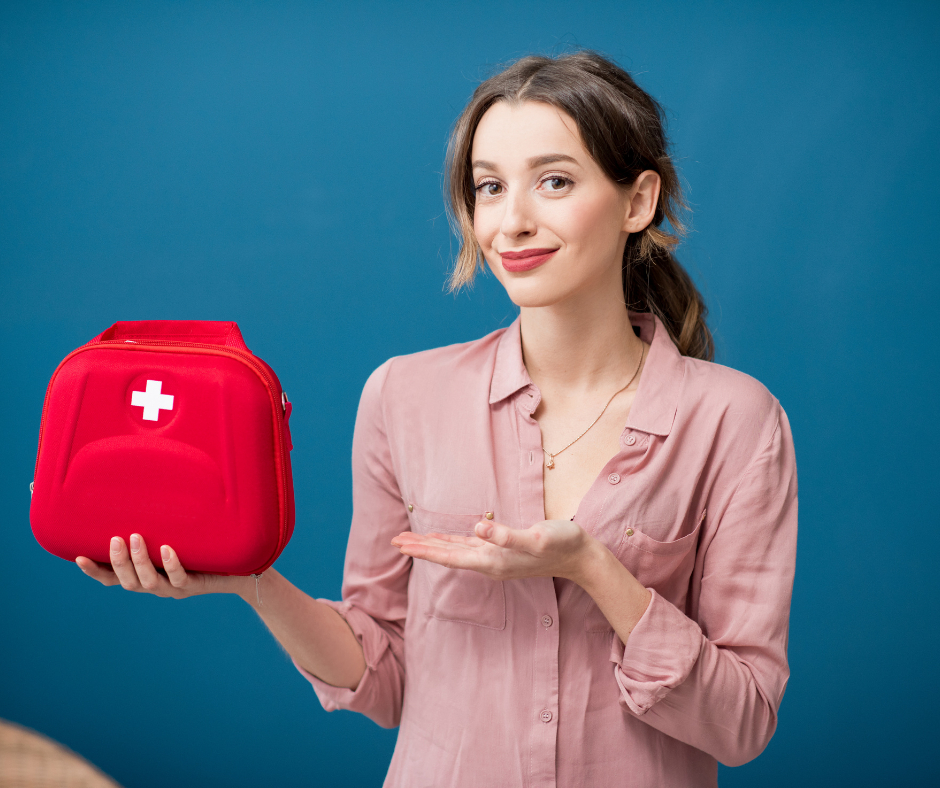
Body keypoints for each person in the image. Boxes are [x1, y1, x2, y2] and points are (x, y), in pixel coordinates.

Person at [77, 50, 798, 787]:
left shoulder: (737, 422)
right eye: (490, 187)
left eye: (554, 181)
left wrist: (592, 568)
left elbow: (742, 724)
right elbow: (385, 675)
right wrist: (250, 579)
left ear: (637, 201)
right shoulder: (403, 397)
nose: (513, 222)